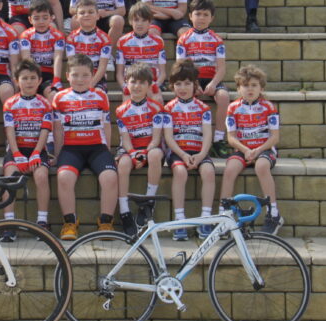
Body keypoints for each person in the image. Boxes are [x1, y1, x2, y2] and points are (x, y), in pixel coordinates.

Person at [52, 54, 118, 241]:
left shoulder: (100, 96)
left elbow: (107, 125)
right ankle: (70, 223)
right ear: (67, 76)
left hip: (97, 148)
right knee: (64, 177)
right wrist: (57, 155)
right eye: (75, 75)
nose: (80, 79)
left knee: (110, 177)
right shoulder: (60, 97)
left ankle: (105, 222)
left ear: (92, 75)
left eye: (85, 75)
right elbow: (57, 129)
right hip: (71, 149)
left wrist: (107, 150)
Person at [220, 65, 282, 235]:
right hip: (243, 149)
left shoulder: (269, 107)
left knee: (261, 166)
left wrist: (258, 150)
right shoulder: (233, 107)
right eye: (245, 85)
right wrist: (246, 150)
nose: (250, 89)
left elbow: (275, 137)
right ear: (238, 88)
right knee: (229, 170)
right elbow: (231, 138)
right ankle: (224, 215)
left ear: (261, 88)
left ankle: (273, 213)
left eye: (254, 85)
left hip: (264, 149)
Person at [1, 59, 55, 236]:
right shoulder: (10, 103)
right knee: (10, 177)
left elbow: (45, 130)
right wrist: (16, 154)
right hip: (17, 148)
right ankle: (9, 223)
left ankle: (42, 221)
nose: (29, 82)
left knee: (41, 175)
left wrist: (36, 153)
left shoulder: (45, 104)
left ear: (40, 81)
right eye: (24, 78)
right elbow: (9, 131)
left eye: (33, 78)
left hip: (37, 149)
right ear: (16, 81)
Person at [162, 59, 215, 241]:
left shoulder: (203, 108)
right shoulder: (169, 108)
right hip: (178, 152)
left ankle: (206, 219)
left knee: (208, 172)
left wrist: (201, 155)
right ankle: (179, 220)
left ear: (195, 85)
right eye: (178, 84)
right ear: (172, 86)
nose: (183, 88)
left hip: (199, 151)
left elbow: (207, 134)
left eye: (187, 83)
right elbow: (168, 137)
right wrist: (183, 155)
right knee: (180, 172)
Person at [114, 63, 167, 237]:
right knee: (123, 164)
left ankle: (148, 202)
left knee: (155, 155)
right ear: (126, 84)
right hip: (131, 149)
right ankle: (124, 211)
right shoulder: (121, 110)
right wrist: (132, 153)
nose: (137, 86)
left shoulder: (156, 108)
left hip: (150, 147)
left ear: (149, 86)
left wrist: (143, 153)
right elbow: (125, 139)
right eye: (133, 81)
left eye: (142, 82)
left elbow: (156, 139)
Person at [176, 0, 232, 157]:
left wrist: (213, 84)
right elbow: (182, 67)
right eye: (198, 14)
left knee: (223, 96)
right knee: (185, 95)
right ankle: (193, 139)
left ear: (211, 18)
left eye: (205, 15)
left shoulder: (216, 40)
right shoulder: (184, 39)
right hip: (190, 78)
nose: (201, 18)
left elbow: (221, 68)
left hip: (212, 79)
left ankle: (219, 140)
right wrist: (194, 83)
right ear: (190, 16)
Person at [115, 2, 167, 102]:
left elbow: (163, 73)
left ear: (150, 22)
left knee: (157, 99)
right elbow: (119, 73)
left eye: (144, 20)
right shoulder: (122, 41)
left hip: (151, 82)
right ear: (130, 21)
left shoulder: (158, 41)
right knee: (127, 102)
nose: (140, 24)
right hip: (132, 83)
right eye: (136, 20)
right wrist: (124, 86)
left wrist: (156, 85)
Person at [18, 0, 65, 101]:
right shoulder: (26, 35)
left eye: (45, 17)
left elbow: (58, 57)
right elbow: (26, 59)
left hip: (48, 74)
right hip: (31, 73)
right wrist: (33, 79)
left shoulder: (58, 35)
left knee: (53, 95)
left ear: (51, 18)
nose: (41, 22)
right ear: (30, 20)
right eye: (36, 18)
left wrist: (57, 79)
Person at [64, 0, 112, 91]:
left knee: (98, 93)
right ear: (76, 17)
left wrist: (90, 85)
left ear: (97, 16)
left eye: (91, 12)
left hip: (96, 78)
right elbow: (72, 64)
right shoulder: (71, 38)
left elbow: (102, 67)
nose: (86, 15)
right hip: (78, 77)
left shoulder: (105, 38)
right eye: (82, 13)